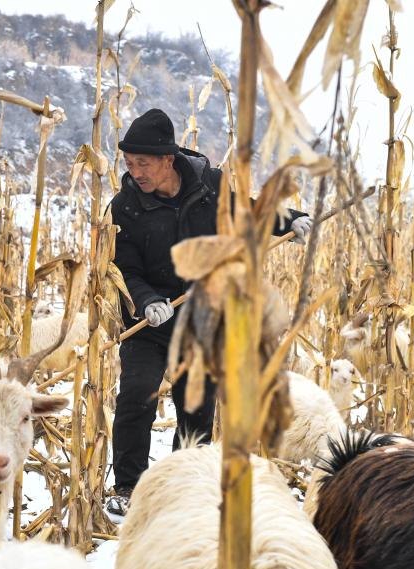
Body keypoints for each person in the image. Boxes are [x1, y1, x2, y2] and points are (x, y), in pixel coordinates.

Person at [106, 108, 312, 515]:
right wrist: (147, 301)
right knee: (136, 396)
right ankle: (128, 487)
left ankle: (190, 480)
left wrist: (292, 220)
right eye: (129, 164)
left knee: (196, 401)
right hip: (147, 321)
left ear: (168, 159)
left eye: (143, 163)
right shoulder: (125, 205)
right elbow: (124, 268)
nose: (135, 173)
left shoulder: (209, 185)